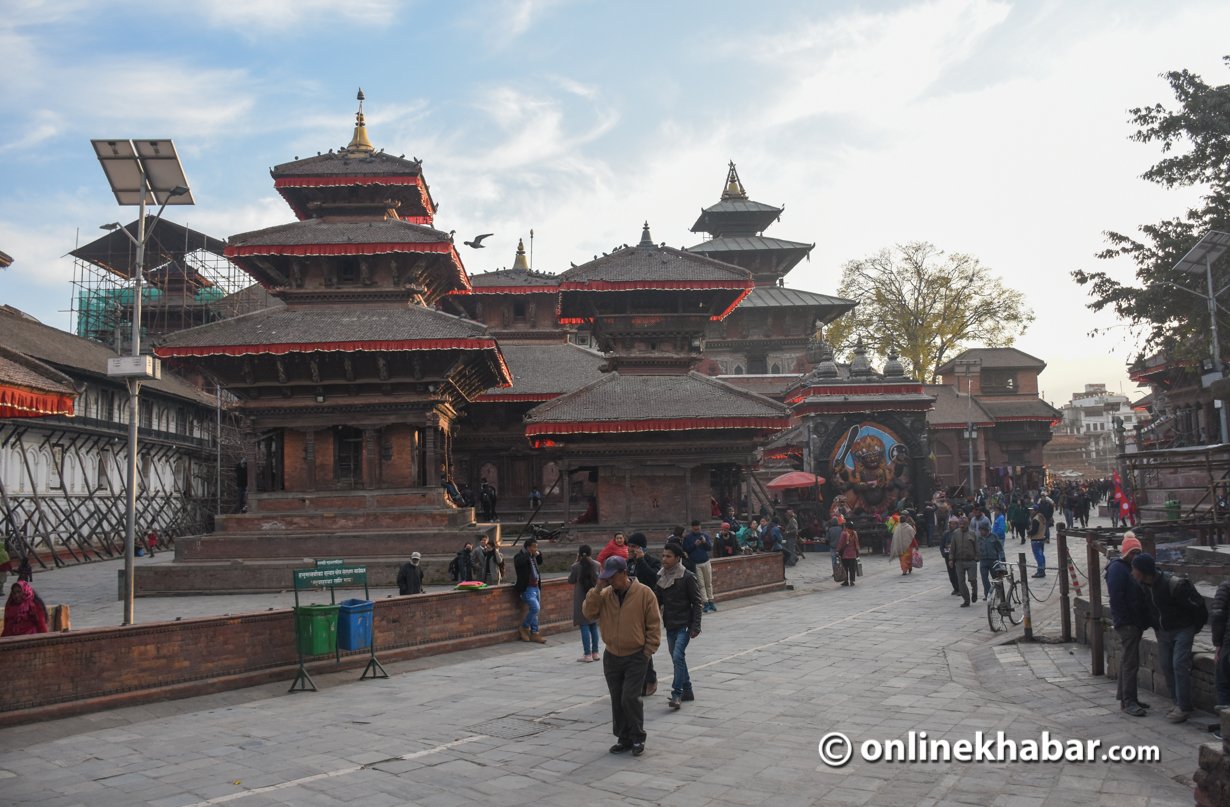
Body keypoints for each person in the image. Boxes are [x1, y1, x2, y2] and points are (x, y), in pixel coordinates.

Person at [583, 556, 662, 757]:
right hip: (612, 655)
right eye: (606, 577)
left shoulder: (644, 594)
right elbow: (589, 613)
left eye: (612, 577)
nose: (609, 581)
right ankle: (623, 738)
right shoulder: (605, 594)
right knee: (617, 698)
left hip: (636, 655)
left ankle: (637, 737)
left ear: (624, 573)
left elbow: (654, 625)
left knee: (630, 698)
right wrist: (597, 588)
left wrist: (647, 652)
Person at [1133, 552, 1207, 723]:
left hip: (1183, 629)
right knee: (1166, 665)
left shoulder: (1173, 585)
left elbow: (1197, 606)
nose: (1132, 572)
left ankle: (1183, 706)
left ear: (1144, 571)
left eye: (1135, 569)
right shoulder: (1144, 587)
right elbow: (1149, 610)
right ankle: (1177, 701)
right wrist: (1156, 627)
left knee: (1179, 664)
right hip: (1164, 631)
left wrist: (1195, 627)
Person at [656, 541, 703, 709]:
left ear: (677, 558)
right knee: (678, 659)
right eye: (663, 556)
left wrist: (696, 626)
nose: (664, 559)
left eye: (668, 556)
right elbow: (657, 600)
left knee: (677, 657)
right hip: (670, 624)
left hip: (684, 624)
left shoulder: (687, 576)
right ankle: (688, 689)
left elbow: (697, 603)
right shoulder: (661, 576)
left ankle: (677, 694)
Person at [1107, 535, 1150, 717]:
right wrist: (1125, 620)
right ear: (1126, 553)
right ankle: (1129, 700)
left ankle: (1126, 696)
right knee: (1130, 663)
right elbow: (1116, 598)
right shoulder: (1118, 569)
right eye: (1132, 553)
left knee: (1128, 660)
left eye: (1138, 553)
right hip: (1126, 623)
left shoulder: (1130, 568)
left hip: (1134, 621)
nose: (1135, 556)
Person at [626, 532, 662, 696]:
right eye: (630, 546)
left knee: (644, 646)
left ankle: (650, 678)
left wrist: (641, 560)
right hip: (629, 609)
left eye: (634, 547)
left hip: (647, 609)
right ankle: (638, 680)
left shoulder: (653, 562)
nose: (631, 549)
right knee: (632, 646)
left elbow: (653, 578)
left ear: (642, 548)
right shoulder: (627, 564)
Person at [569, 545, 602, 662]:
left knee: (584, 626)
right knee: (593, 625)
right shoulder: (597, 565)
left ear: (579, 554)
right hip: (593, 597)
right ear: (591, 553)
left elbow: (571, 580)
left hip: (580, 599)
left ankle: (587, 654)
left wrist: (575, 562)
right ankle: (595, 652)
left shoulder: (575, 567)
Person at [514, 537, 546, 643]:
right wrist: (528, 554)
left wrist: (538, 554)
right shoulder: (519, 556)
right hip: (526, 588)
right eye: (534, 547)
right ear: (528, 548)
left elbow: (540, 562)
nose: (535, 549)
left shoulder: (533, 557)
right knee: (535, 608)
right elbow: (519, 563)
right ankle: (524, 627)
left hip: (536, 586)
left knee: (535, 611)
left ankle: (535, 633)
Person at [683, 520, 716, 612]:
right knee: (701, 584)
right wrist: (694, 545)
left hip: (705, 561)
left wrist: (705, 542)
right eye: (695, 529)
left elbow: (709, 548)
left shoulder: (704, 535)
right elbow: (686, 549)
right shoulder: (688, 537)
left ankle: (711, 600)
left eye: (698, 529)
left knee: (708, 582)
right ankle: (705, 602)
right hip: (696, 563)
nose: (697, 531)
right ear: (692, 528)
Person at [949, 517, 979, 607]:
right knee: (961, 581)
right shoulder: (956, 533)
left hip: (971, 561)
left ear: (967, 524)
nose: (962, 526)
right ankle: (966, 600)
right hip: (959, 561)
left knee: (972, 579)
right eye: (961, 524)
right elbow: (953, 547)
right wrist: (951, 559)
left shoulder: (972, 533)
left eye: (964, 524)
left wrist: (977, 558)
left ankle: (974, 592)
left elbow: (977, 547)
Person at [1212, 576, 1230, 712]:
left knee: (1223, 682)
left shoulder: (1225, 587)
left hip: (1228, 642)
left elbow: (1218, 616)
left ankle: (1226, 727)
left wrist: (1218, 644)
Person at [977, 522, 1005, 600]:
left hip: (993, 560)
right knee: (984, 577)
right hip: (983, 560)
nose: (981, 532)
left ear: (987, 530)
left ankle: (999, 592)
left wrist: (1002, 559)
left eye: (982, 530)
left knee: (996, 577)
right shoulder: (979, 539)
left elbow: (1000, 549)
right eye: (980, 530)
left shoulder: (994, 537)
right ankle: (988, 593)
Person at [939, 516, 961, 596]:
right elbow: (942, 544)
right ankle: (955, 588)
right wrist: (943, 552)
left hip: (957, 555)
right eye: (952, 524)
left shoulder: (959, 533)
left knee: (957, 572)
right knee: (951, 573)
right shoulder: (946, 534)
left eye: (955, 524)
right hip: (948, 555)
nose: (953, 525)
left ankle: (960, 588)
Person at [1026, 505, 1047, 577]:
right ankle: (1043, 569)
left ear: (1036, 510)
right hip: (1042, 538)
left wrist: (1029, 532)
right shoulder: (1042, 517)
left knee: (1038, 556)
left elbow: (1034, 530)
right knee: (1041, 555)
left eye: (1032, 510)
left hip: (1036, 539)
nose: (1031, 511)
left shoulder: (1036, 519)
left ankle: (1040, 571)